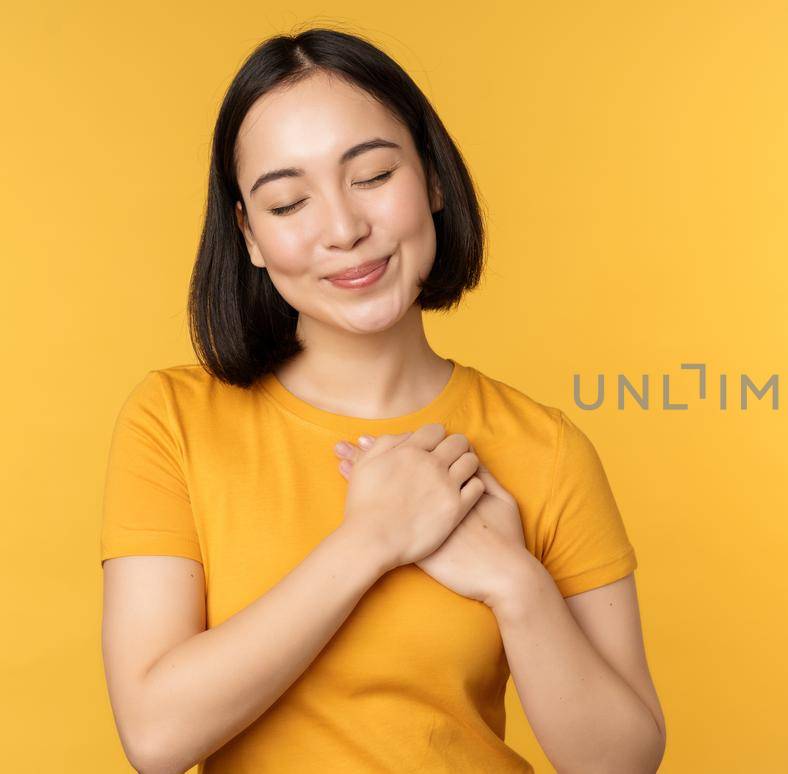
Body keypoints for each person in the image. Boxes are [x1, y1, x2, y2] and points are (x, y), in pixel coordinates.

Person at [98, 27, 665, 773]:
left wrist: (512, 581)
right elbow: (156, 736)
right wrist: (372, 539)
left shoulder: (543, 448)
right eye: (289, 201)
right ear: (251, 237)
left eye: (371, 177)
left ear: (431, 179)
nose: (344, 229)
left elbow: (621, 764)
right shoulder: (173, 420)